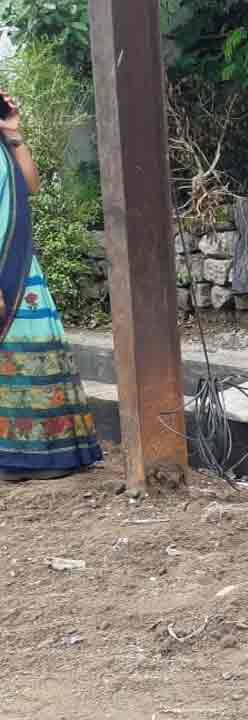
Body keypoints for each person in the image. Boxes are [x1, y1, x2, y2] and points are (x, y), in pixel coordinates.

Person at [0, 93, 103, 482]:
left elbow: (32, 185)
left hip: (21, 266)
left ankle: (49, 457)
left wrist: (13, 133)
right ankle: (13, 460)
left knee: (40, 347)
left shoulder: (4, 145)